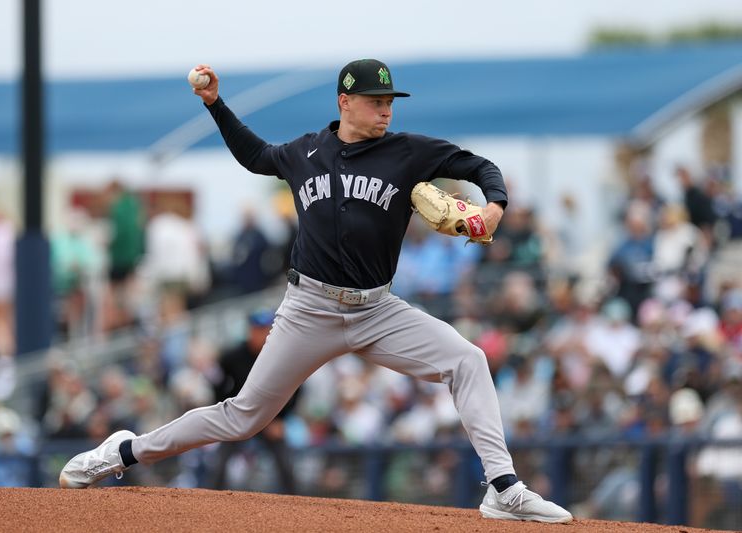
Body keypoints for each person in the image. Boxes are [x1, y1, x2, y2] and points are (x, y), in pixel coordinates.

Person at [59, 58, 572, 524]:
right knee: (243, 416)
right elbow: (255, 154)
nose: (385, 111)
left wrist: (494, 205)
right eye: (375, 101)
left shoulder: (408, 153)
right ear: (344, 102)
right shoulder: (306, 152)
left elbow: (479, 168)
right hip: (310, 308)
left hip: (378, 310)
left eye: (390, 101)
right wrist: (216, 105)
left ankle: (503, 487)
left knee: (468, 360)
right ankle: (123, 452)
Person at [210, 310, 299, 494]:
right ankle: (210, 500)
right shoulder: (232, 356)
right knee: (219, 464)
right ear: (249, 330)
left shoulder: (280, 355)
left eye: (265, 329)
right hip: (239, 415)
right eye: (257, 329)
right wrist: (225, 410)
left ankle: (295, 505)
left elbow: (296, 387)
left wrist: (282, 418)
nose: (261, 334)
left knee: (286, 465)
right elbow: (217, 384)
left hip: (269, 418)